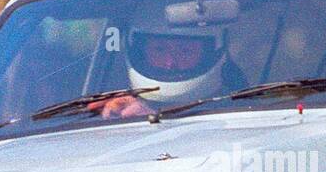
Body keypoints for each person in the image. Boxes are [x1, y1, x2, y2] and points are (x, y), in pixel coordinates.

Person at [91, 25, 245, 118]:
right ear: (139, 53)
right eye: (159, 50)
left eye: (185, 51)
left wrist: (151, 115)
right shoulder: (118, 104)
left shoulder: (238, 105)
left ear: (209, 55)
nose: (170, 63)